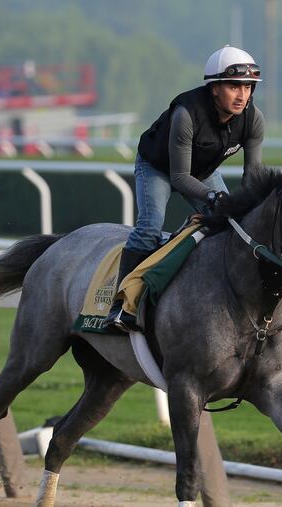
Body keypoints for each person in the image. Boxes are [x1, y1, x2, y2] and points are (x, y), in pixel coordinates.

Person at [104, 45, 266, 332]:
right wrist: (214, 196)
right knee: (150, 227)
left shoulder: (253, 119)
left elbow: (251, 179)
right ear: (214, 88)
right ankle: (120, 306)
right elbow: (179, 178)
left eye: (248, 87)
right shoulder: (186, 114)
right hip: (158, 167)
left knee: (232, 226)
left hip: (202, 172)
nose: (243, 95)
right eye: (233, 86)